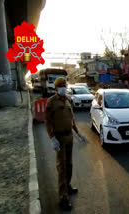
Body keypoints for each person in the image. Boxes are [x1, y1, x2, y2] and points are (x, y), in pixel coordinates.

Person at [45, 77, 86, 210]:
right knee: (61, 167)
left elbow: (71, 119)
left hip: (69, 137)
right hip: (59, 138)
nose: (63, 88)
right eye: (61, 86)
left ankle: (67, 186)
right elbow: (47, 121)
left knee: (69, 164)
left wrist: (78, 133)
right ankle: (63, 198)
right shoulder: (51, 102)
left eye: (65, 85)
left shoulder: (68, 100)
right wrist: (52, 138)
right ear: (56, 88)